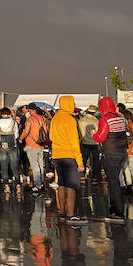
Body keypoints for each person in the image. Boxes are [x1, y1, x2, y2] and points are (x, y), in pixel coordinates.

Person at [92, 97, 130, 222]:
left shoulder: (105, 119)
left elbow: (101, 138)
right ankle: (115, 209)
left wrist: (93, 134)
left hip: (111, 153)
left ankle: (118, 213)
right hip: (122, 152)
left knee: (114, 183)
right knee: (116, 181)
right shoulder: (121, 118)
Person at [49, 96, 85, 224]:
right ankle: (71, 215)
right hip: (69, 156)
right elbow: (75, 142)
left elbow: (51, 137)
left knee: (62, 185)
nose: (73, 104)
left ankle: (62, 212)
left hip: (57, 156)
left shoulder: (54, 119)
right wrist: (80, 161)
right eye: (72, 103)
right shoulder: (70, 120)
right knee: (71, 186)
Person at [0, 108, 21, 196]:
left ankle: (6, 186)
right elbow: (16, 135)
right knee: (14, 166)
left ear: (1, 114)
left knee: (4, 166)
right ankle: (18, 185)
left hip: (2, 146)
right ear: (9, 113)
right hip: (13, 146)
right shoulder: (14, 122)